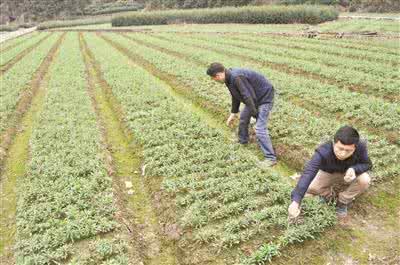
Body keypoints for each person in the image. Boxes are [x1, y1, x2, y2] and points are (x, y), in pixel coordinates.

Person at [288, 126, 372, 218]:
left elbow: (367, 164)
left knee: (365, 180)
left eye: (348, 151)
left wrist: (354, 169)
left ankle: (343, 202)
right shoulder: (323, 151)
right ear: (334, 143)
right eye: (340, 148)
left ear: (355, 147)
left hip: (349, 173)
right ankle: (329, 196)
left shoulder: (361, 147)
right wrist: (296, 201)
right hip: (329, 172)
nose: (343, 154)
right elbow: (308, 173)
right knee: (312, 187)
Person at [206, 63, 277, 167]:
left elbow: (248, 96)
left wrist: (254, 114)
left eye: (213, 78)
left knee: (259, 128)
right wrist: (233, 113)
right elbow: (236, 96)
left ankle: (271, 158)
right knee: (243, 118)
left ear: (218, 75)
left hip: (264, 97)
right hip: (254, 97)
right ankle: (242, 140)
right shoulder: (228, 78)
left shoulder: (237, 77)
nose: (214, 81)